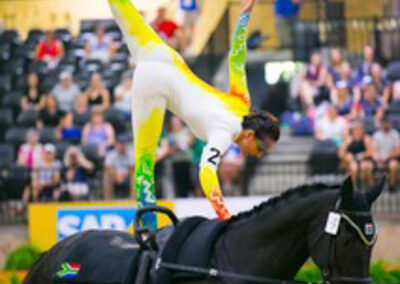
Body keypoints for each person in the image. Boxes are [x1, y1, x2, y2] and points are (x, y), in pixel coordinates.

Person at [108, 0, 280, 228]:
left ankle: (147, 227)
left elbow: (236, 59)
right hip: (154, 85)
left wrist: (243, 17)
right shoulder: (224, 134)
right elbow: (206, 174)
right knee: (144, 165)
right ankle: (148, 230)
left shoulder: (241, 102)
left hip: (163, 55)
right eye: (261, 148)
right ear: (249, 135)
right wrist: (225, 216)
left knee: (122, 9)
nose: (259, 155)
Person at [339, 121, 376, 187]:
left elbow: (371, 151)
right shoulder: (348, 139)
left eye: (360, 129)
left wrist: (363, 155)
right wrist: (347, 156)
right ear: (353, 130)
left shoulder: (366, 138)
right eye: (356, 129)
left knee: (365, 166)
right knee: (354, 167)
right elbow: (340, 153)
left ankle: (370, 186)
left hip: (365, 160)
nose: (358, 131)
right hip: (352, 161)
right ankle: (354, 187)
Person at [167, 116, 195, 197]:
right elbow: (170, 150)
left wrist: (184, 143)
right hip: (176, 162)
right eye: (174, 123)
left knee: (190, 182)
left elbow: (191, 141)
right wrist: (178, 146)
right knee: (178, 183)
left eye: (177, 122)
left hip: (187, 161)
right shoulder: (171, 135)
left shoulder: (186, 131)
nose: (175, 124)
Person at [373, 116, 400, 192]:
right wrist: (378, 159)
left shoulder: (395, 134)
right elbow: (374, 151)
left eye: (387, 122)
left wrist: (388, 158)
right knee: (367, 166)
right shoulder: (376, 135)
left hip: (392, 159)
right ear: (381, 124)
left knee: (393, 165)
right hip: (379, 160)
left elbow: (398, 151)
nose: (386, 124)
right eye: (384, 123)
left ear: (389, 123)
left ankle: (392, 187)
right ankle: (374, 188)